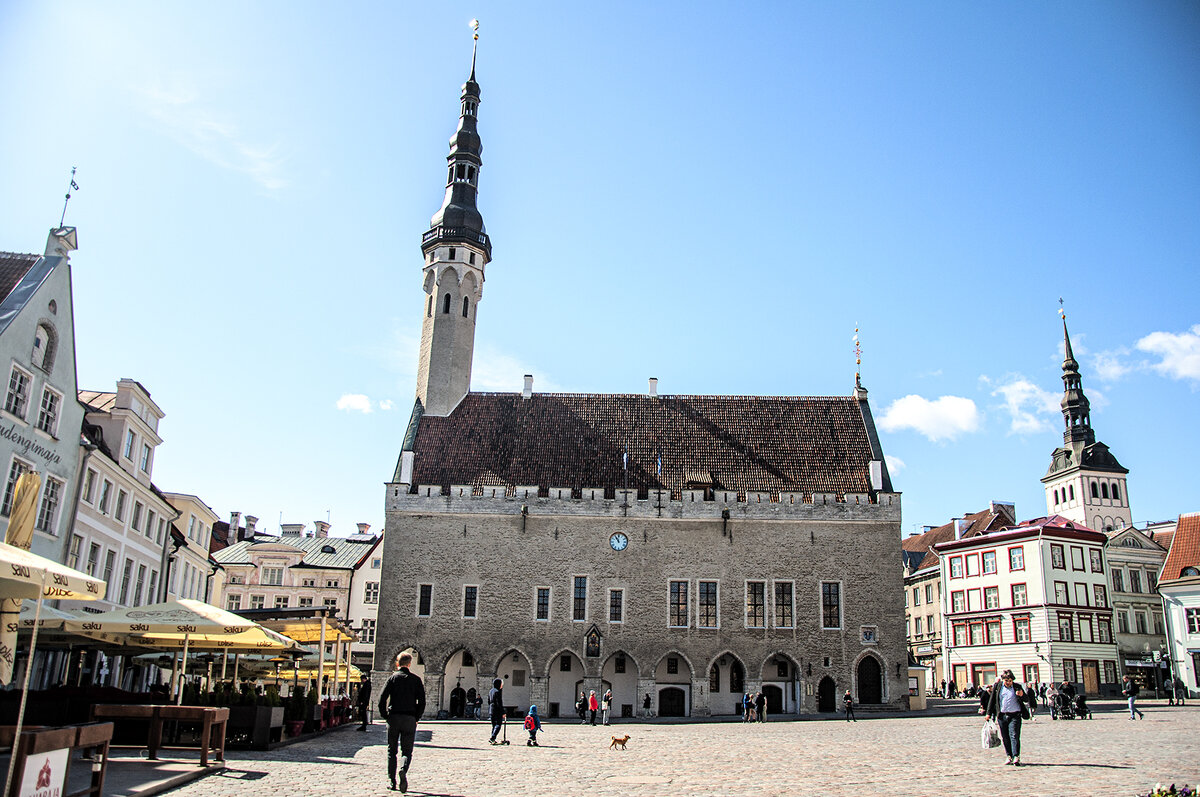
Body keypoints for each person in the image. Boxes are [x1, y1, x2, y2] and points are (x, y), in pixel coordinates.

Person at [378, 652, 426, 793]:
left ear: (397, 663)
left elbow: (382, 699)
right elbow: (422, 702)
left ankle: (392, 781)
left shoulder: (393, 678)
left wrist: (385, 716)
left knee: (391, 751)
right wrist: (417, 717)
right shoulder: (416, 680)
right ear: (409, 664)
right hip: (409, 719)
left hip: (394, 718)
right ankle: (403, 769)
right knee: (407, 751)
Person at [985, 670, 1026, 766]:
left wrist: (1022, 695)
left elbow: (1027, 699)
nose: (1008, 683)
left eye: (1010, 681)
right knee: (1005, 737)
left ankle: (1016, 756)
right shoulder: (998, 687)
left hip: (1015, 715)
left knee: (1014, 735)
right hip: (1002, 715)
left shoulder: (1017, 687)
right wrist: (988, 713)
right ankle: (1009, 756)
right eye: (1006, 680)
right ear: (1003, 680)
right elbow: (992, 700)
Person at [488, 679, 507, 743]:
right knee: (498, 724)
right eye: (501, 684)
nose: (502, 685)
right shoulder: (497, 692)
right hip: (497, 710)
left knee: (494, 725)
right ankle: (493, 737)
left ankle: (493, 738)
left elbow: (489, 701)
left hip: (491, 709)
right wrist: (503, 712)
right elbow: (499, 703)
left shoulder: (491, 691)